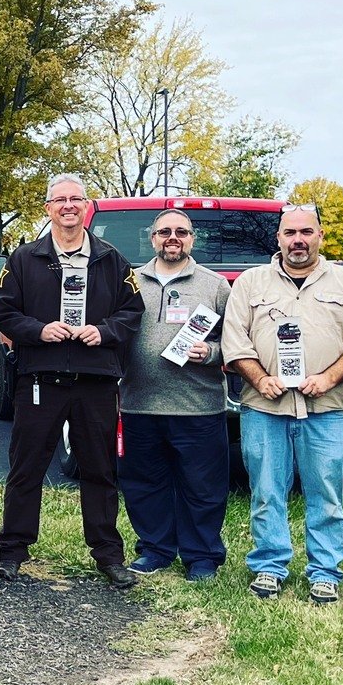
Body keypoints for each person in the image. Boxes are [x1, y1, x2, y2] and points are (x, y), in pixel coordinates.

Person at [222, 203, 343, 604]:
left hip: (327, 409)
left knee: (326, 494)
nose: (298, 240)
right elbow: (234, 341)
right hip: (263, 408)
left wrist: (327, 378)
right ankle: (269, 567)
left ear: (320, 236)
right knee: (266, 491)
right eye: (290, 232)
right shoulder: (250, 283)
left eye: (306, 232)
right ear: (278, 238)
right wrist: (260, 378)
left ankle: (325, 571)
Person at [0, 173, 144, 587]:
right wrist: (38, 331)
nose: (68, 206)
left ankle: (109, 556)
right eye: (59, 200)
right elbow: (2, 310)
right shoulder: (24, 259)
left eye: (76, 199)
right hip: (40, 378)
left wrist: (105, 331)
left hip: (95, 379)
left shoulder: (111, 259)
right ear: (48, 209)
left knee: (99, 470)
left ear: (87, 206)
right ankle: (12, 551)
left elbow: (132, 312)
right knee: (26, 467)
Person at [118, 211, 232, 581]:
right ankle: (155, 549)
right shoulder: (129, 283)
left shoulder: (215, 286)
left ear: (191, 239)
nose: (173, 237)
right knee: (144, 484)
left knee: (202, 488)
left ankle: (201, 557)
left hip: (198, 405)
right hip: (138, 403)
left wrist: (211, 353)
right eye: (164, 231)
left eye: (181, 232)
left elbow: (236, 343)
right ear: (152, 239)